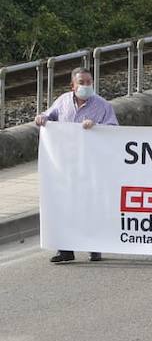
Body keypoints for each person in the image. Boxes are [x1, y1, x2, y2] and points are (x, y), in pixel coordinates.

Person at [37, 68, 118, 264]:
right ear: (72, 86)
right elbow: (50, 115)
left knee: (90, 206)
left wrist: (97, 127)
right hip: (66, 165)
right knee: (64, 206)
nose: (86, 86)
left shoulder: (103, 106)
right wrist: (42, 118)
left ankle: (95, 247)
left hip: (91, 166)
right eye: (82, 82)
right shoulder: (63, 101)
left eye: (89, 82)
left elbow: (115, 130)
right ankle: (65, 250)